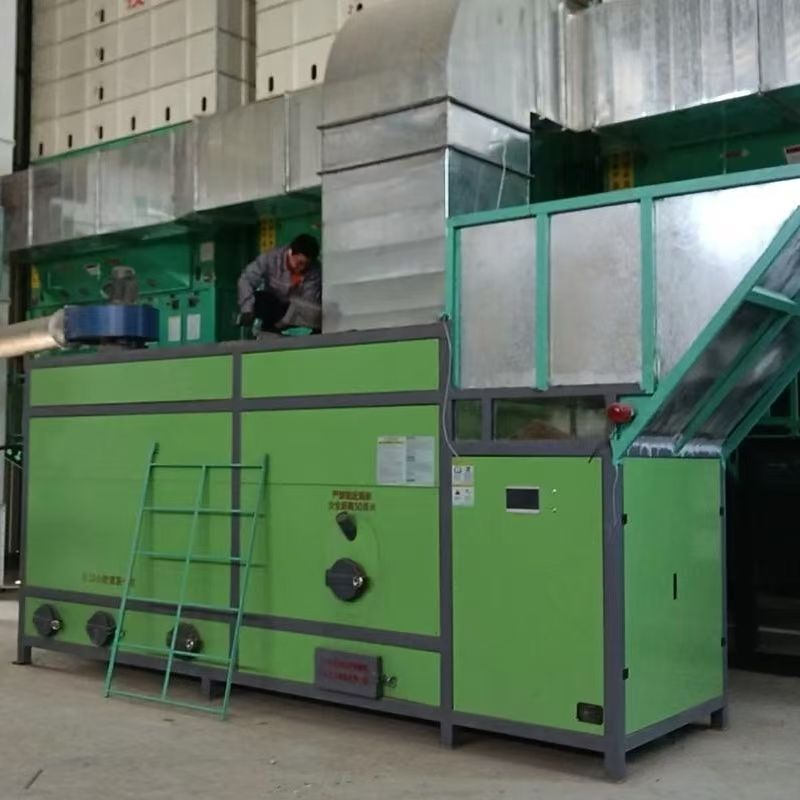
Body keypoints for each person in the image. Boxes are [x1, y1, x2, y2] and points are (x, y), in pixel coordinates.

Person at [237, 234, 322, 334]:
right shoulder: (270, 258)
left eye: (306, 264)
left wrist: (284, 322)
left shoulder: (315, 271)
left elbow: (308, 303)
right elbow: (246, 279)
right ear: (291, 252)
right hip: (274, 306)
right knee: (261, 300)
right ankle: (266, 330)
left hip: (295, 312)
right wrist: (247, 309)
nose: (302, 267)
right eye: (300, 263)